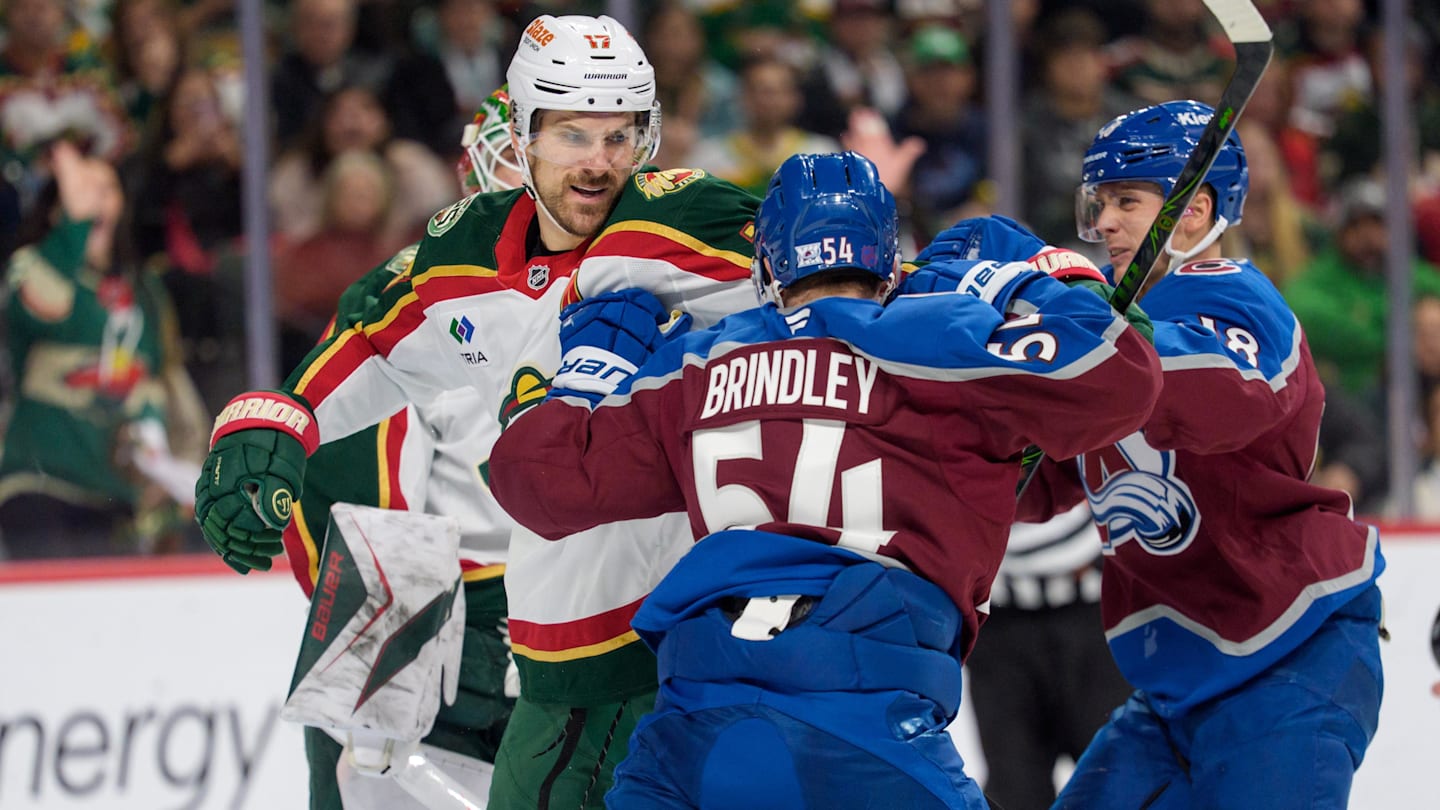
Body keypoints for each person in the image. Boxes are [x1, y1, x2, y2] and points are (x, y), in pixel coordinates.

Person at [192, 15, 761, 809]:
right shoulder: (456, 262)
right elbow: (366, 415)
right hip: (499, 628)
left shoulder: (683, 224)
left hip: (664, 620)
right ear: (523, 141)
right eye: (569, 136)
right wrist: (270, 422)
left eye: (617, 137)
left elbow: (837, 281)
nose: (597, 165)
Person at [486, 151, 1162, 808]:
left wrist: (589, 371)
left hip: (694, 720)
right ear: (886, 259)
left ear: (769, 264)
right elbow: (1120, 375)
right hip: (864, 705)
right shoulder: (936, 332)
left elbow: (537, 486)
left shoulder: (695, 360)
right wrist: (1029, 277)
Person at [1017, 99, 1385, 808]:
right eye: (1101, 203)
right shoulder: (1105, 339)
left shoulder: (1236, 300)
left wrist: (1072, 333)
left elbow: (1221, 395)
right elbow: (1034, 484)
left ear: (1194, 210)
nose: (1107, 223)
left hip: (1292, 651)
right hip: (1175, 683)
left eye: (1127, 199)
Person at [282, 85, 521, 810]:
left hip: (574, 641)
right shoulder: (418, 295)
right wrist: (378, 657)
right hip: (451, 637)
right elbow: (352, 495)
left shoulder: (634, 293)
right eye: (516, 158)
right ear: (475, 174)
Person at [1, 141, 208, 558]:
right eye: (81, 188)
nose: (94, 198)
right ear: (57, 206)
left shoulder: (145, 289)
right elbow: (41, 306)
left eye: (106, 188)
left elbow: (159, 381)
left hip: (120, 500)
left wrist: (164, 466)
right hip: (41, 485)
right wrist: (73, 229)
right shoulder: (34, 264)